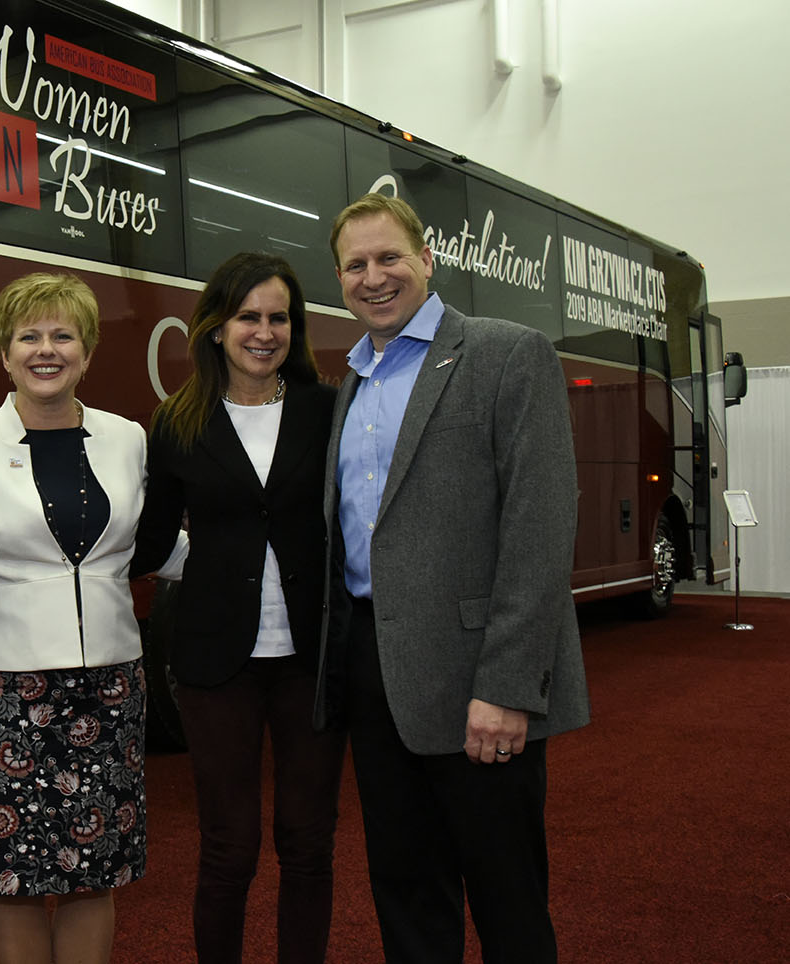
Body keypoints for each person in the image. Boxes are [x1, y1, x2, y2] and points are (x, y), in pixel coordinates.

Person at [315, 192, 591, 963]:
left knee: (508, 904)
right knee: (406, 897)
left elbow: (538, 530)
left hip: (480, 681)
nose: (373, 277)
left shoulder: (507, 353)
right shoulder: (352, 383)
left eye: (389, 257)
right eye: (355, 265)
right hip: (376, 675)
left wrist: (506, 687)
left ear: (427, 259)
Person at [0, 273, 151, 964]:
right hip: (6, 691)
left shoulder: (128, 439)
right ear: (4, 352)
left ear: (87, 349)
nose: (45, 349)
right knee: (16, 875)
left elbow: (156, 544)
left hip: (111, 685)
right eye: (30, 335)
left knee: (95, 873)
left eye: (63, 335)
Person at [131, 252, 346, 964]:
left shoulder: (327, 409)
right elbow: (152, 541)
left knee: (308, 841)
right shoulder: (177, 421)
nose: (264, 331)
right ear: (216, 327)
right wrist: (219, 567)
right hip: (214, 663)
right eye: (247, 316)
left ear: (296, 328)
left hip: (311, 660)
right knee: (229, 848)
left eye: (278, 317)